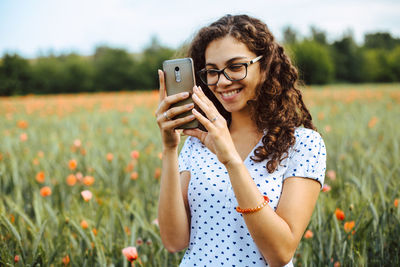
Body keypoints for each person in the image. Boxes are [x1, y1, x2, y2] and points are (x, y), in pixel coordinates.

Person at [156, 14, 326, 267]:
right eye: (212, 71)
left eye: (236, 67)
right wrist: (170, 149)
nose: (222, 81)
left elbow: (280, 253)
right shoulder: (197, 142)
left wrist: (232, 161)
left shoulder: (303, 144)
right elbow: (174, 241)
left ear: (265, 66)